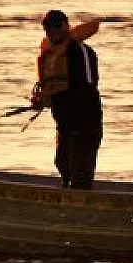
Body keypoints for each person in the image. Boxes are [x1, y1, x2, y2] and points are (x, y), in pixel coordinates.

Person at [31, 10, 103, 190]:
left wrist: (54, 99)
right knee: (62, 164)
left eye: (56, 27)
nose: (51, 32)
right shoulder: (50, 53)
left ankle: (80, 208)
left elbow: (87, 87)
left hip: (86, 124)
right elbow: (51, 86)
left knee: (80, 175)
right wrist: (42, 100)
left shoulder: (81, 51)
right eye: (47, 29)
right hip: (64, 124)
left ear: (65, 26)